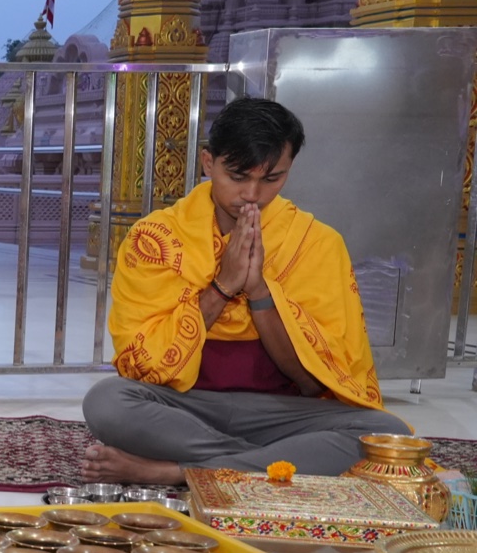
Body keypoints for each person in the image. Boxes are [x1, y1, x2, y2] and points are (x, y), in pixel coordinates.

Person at [83, 97, 406, 481]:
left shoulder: (316, 243)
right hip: (185, 407)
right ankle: (273, 467)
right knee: (106, 402)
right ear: (208, 163)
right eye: (238, 176)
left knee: (385, 434)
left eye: (271, 179)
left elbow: (311, 382)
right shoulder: (156, 238)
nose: (252, 194)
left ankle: (176, 472)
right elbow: (144, 368)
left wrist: (258, 292)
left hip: (278, 413)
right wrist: (223, 286)